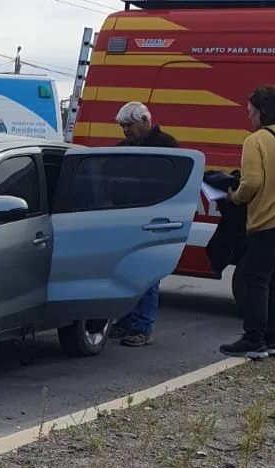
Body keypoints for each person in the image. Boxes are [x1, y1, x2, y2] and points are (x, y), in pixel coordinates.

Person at [220, 85, 275, 359]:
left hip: (268, 219)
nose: (249, 117)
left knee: (254, 280)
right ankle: (271, 340)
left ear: (260, 111)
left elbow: (252, 182)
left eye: (250, 111)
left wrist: (235, 196)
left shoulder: (256, 141)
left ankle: (252, 339)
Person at [107, 101, 180, 347]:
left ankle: (142, 327)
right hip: (126, 218)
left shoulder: (167, 146)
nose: (125, 131)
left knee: (148, 275)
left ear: (145, 121)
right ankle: (127, 320)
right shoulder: (123, 148)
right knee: (127, 273)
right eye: (122, 126)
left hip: (154, 219)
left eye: (129, 125)